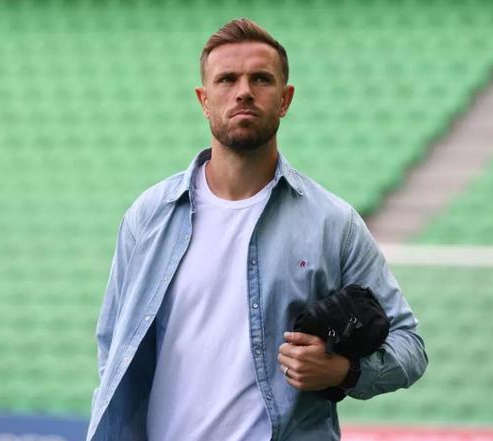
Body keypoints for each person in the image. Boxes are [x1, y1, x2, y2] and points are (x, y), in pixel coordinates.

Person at [86, 18, 427, 441]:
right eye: (227, 79)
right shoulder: (149, 215)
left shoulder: (332, 223)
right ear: (204, 100)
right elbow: (113, 348)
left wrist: (344, 371)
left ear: (285, 99)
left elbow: (410, 346)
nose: (244, 91)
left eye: (261, 79)